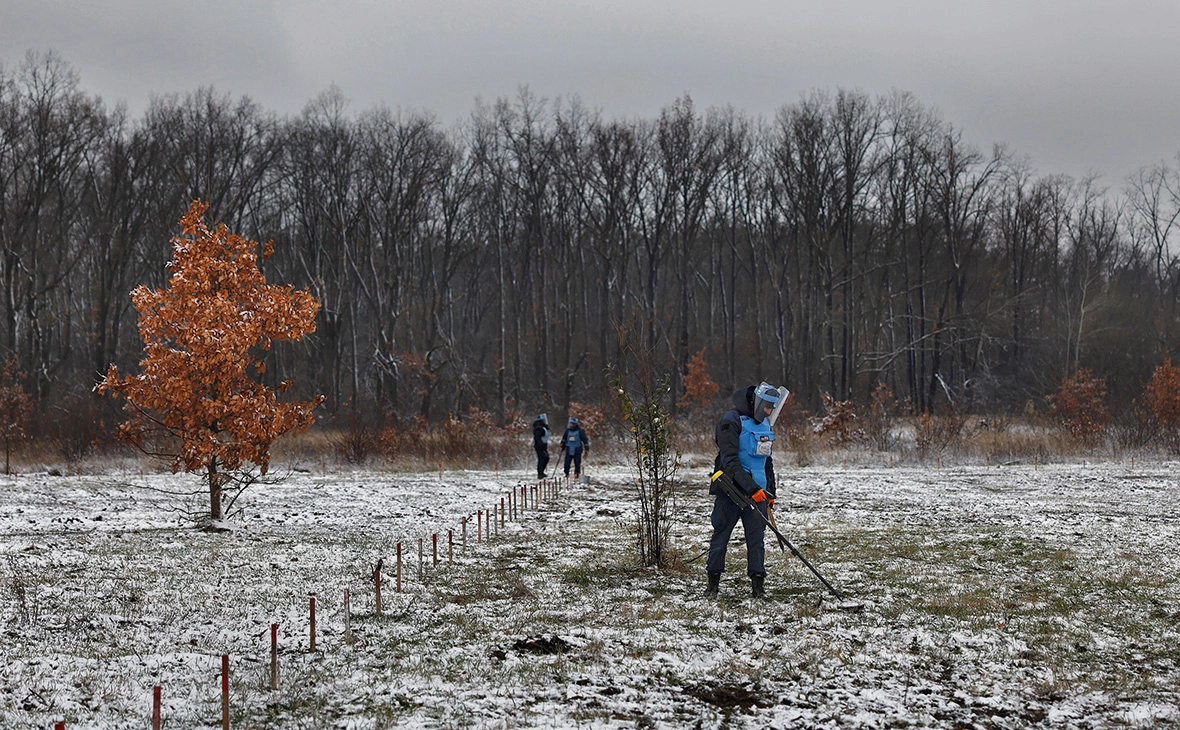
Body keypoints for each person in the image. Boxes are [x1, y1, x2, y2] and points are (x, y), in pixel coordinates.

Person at [705, 382, 781, 598]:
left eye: (772, 408)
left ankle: (758, 586)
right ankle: (713, 584)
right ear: (756, 402)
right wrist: (750, 488)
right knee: (721, 537)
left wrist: (769, 493)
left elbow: (766, 462)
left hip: (758, 494)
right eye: (766, 407)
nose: (768, 412)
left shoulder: (765, 425)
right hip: (731, 491)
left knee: (756, 541)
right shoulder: (731, 421)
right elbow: (729, 461)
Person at [532, 413, 550, 479]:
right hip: (540, 446)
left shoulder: (543, 427)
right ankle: (540, 473)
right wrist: (541, 445)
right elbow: (537, 438)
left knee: (546, 458)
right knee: (542, 459)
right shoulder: (538, 428)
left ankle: (541, 472)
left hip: (544, 445)